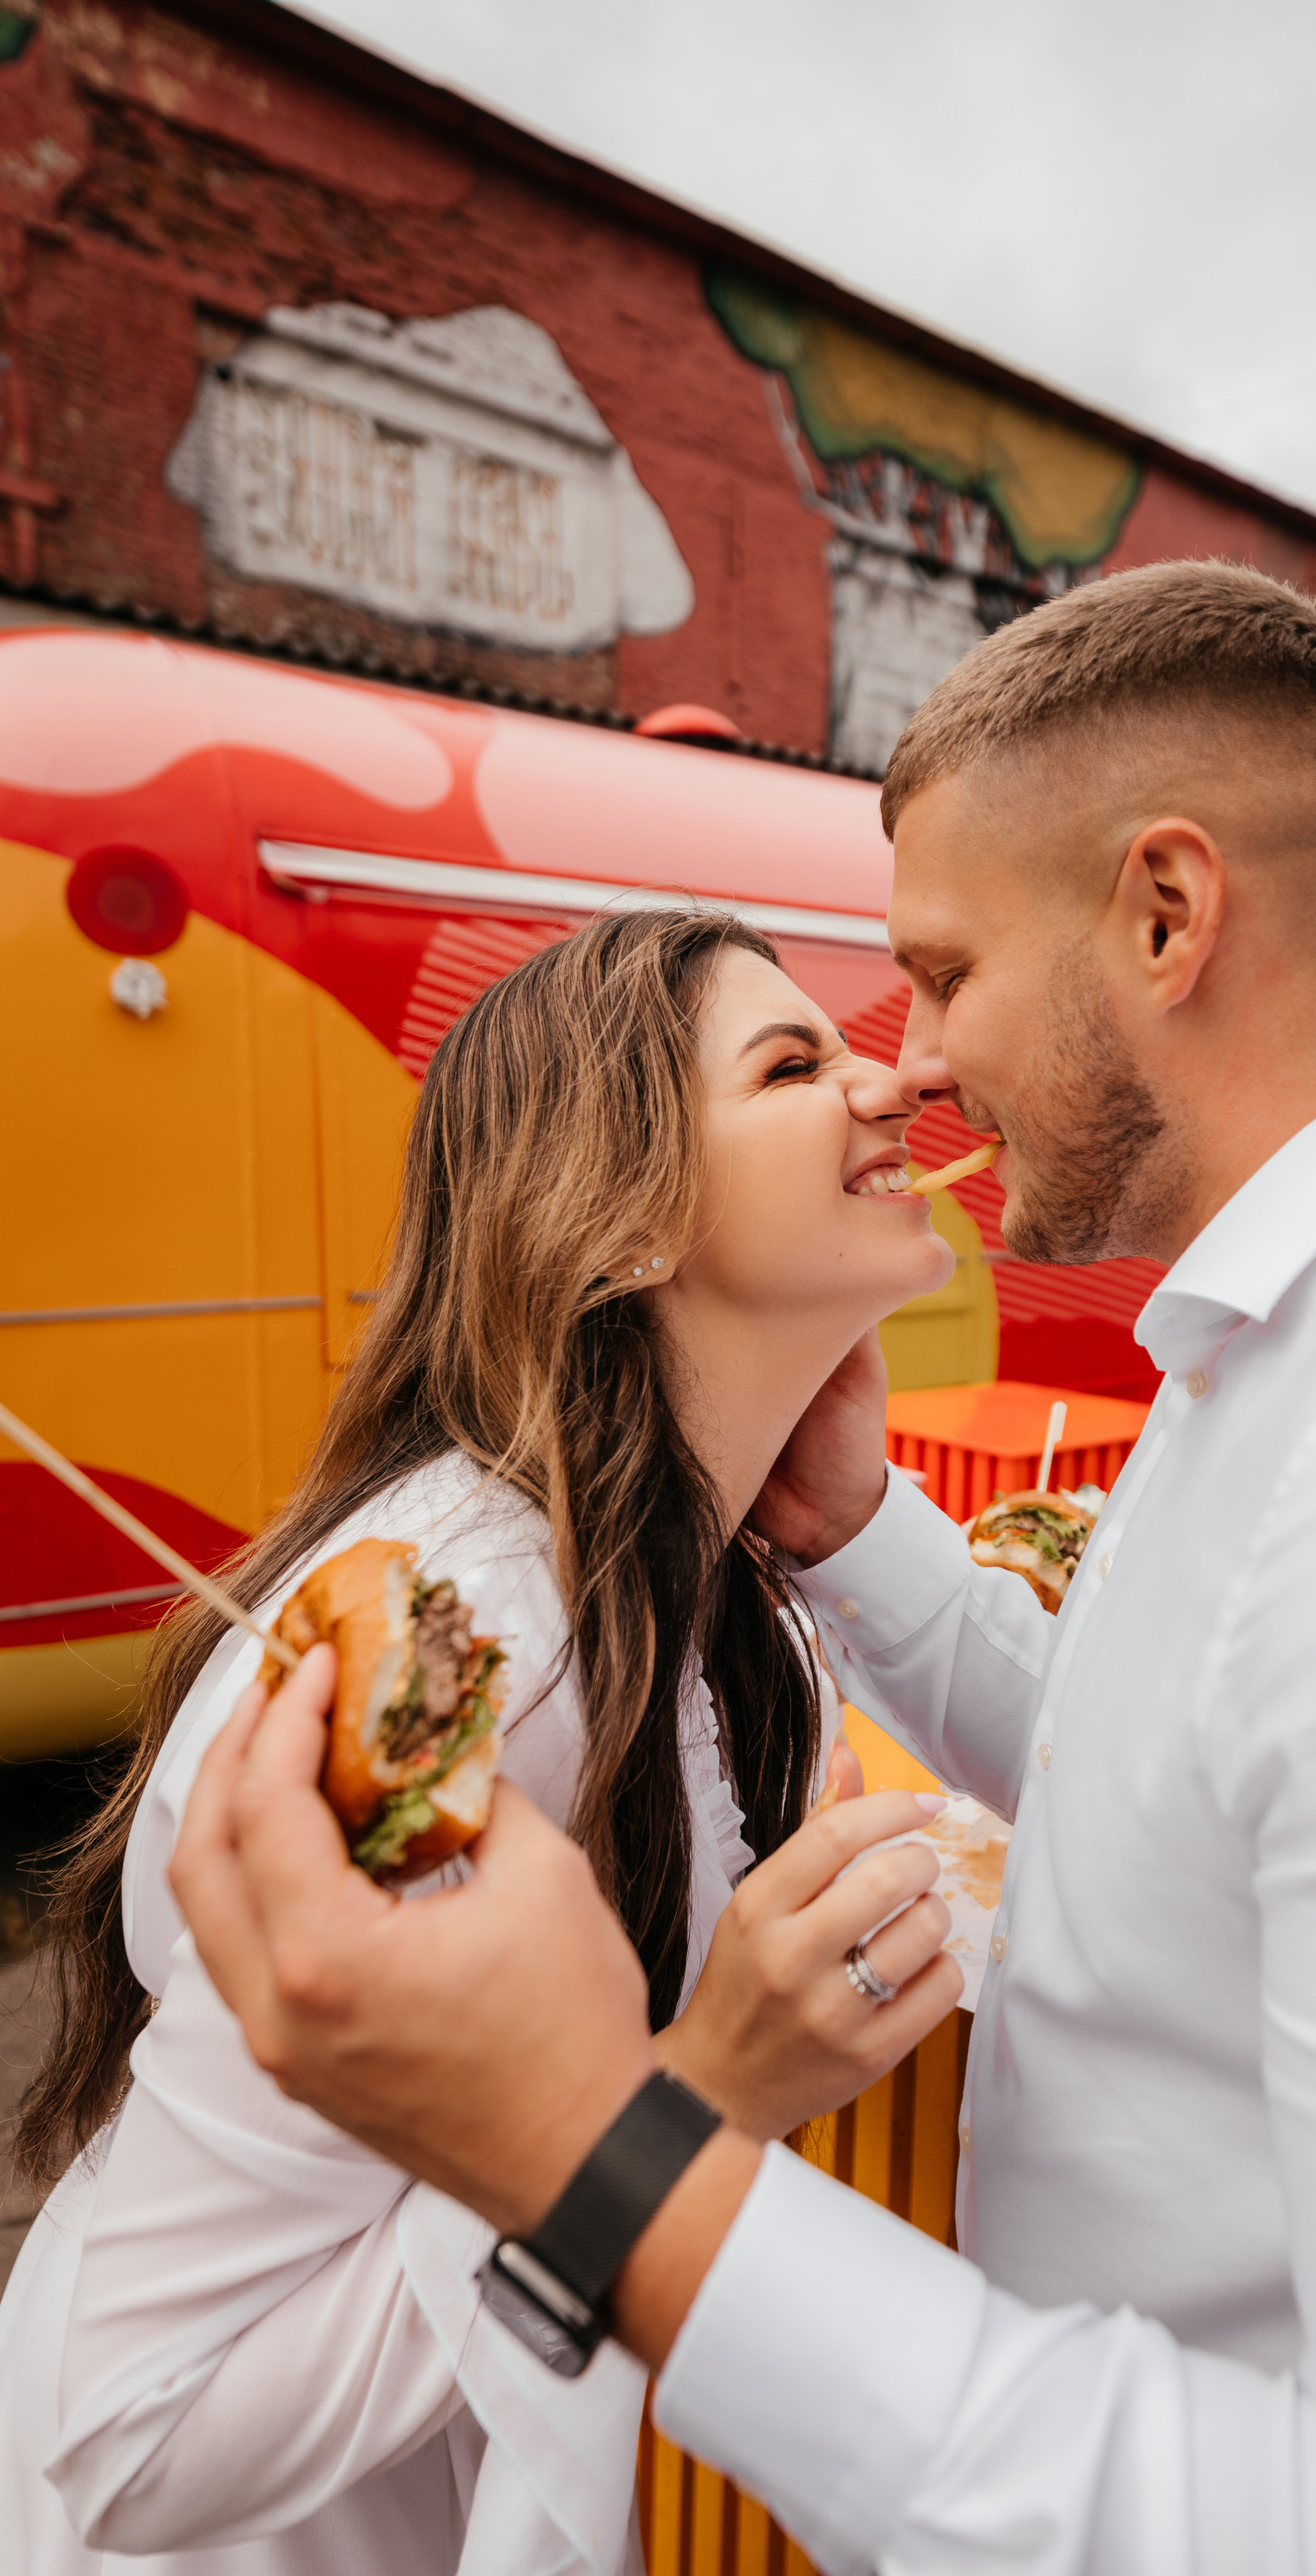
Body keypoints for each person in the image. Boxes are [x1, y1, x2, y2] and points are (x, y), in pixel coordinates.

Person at [173, 561, 1316, 2576]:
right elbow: (1177, 1790)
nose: (913, 1061)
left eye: (947, 972)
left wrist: (601, 2163)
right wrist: (871, 1542)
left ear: (1166, 918)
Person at [0, 908, 963, 2574]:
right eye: (793, 1063)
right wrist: (696, 2097)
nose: (893, 1084)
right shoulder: (467, 1667)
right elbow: (134, 2437)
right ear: (623, 1221)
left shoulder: (719, 1589)